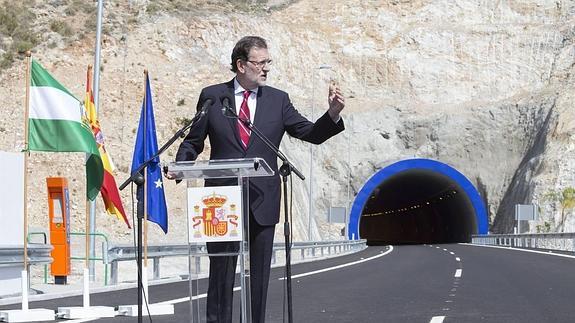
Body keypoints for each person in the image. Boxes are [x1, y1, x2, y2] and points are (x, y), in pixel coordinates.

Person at [175, 36, 345, 323]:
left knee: (259, 276)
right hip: (220, 202)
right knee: (221, 273)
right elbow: (194, 140)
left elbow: (311, 134)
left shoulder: (278, 100)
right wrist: (181, 165)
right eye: (260, 62)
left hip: (262, 199)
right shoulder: (213, 96)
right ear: (241, 65)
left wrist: (332, 114)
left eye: (268, 62)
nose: (266, 68)